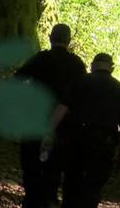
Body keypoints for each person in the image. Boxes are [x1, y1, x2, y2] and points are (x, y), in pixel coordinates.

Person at [15, 23, 86, 208]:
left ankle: (32, 200)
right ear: (68, 41)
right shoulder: (77, 64)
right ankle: (49, 199)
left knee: (31, 165)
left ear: (50, 37)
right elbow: (82, 95)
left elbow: (18, 78)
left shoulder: (40, 59)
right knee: (54, 167)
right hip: (64, 126)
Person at [50, 53, 120, 208]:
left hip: (76, 140)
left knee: (71, 185)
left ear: (92, 65)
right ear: (112, 68)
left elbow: (61, 109)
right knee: (93, 189)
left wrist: (48, 133)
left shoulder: (80, 81)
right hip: (104, 143)